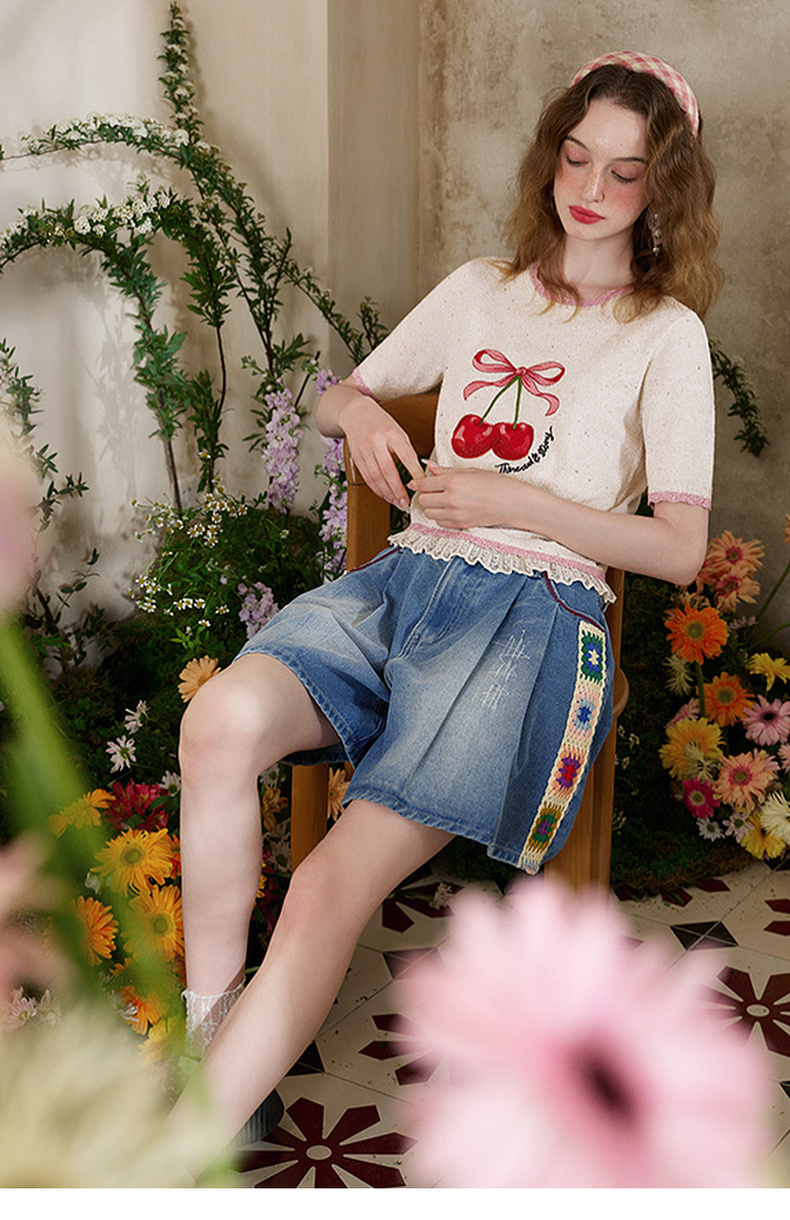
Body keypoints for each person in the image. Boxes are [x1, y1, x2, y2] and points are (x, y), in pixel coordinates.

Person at [175, 51, 722, 1147]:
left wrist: (516, 501)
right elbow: (340, 395)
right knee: (217, 722)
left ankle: (172, 1150)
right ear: (551, 155)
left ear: (661, 188)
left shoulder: (666, 336)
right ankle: (218, 1044)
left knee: (328, 883)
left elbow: (679, 549)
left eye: (624, 173)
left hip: (533, 626)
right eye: (576, 158)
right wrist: (358, 414)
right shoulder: (481, 289)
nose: (590, 189)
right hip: (403, 587)